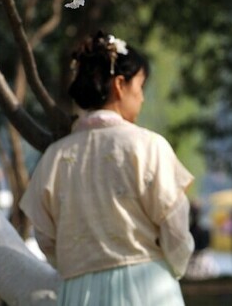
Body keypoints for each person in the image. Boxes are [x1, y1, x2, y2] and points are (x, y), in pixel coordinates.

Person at [20, 31, 195, 306]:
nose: (142, 98)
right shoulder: (146, 146)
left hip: (77, 290)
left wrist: (78, 264)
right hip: (146, 285)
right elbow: (175, 227)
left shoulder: (55, 157)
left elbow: (45, 238)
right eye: (140, 87)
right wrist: (174, 266)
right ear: (119, 84)